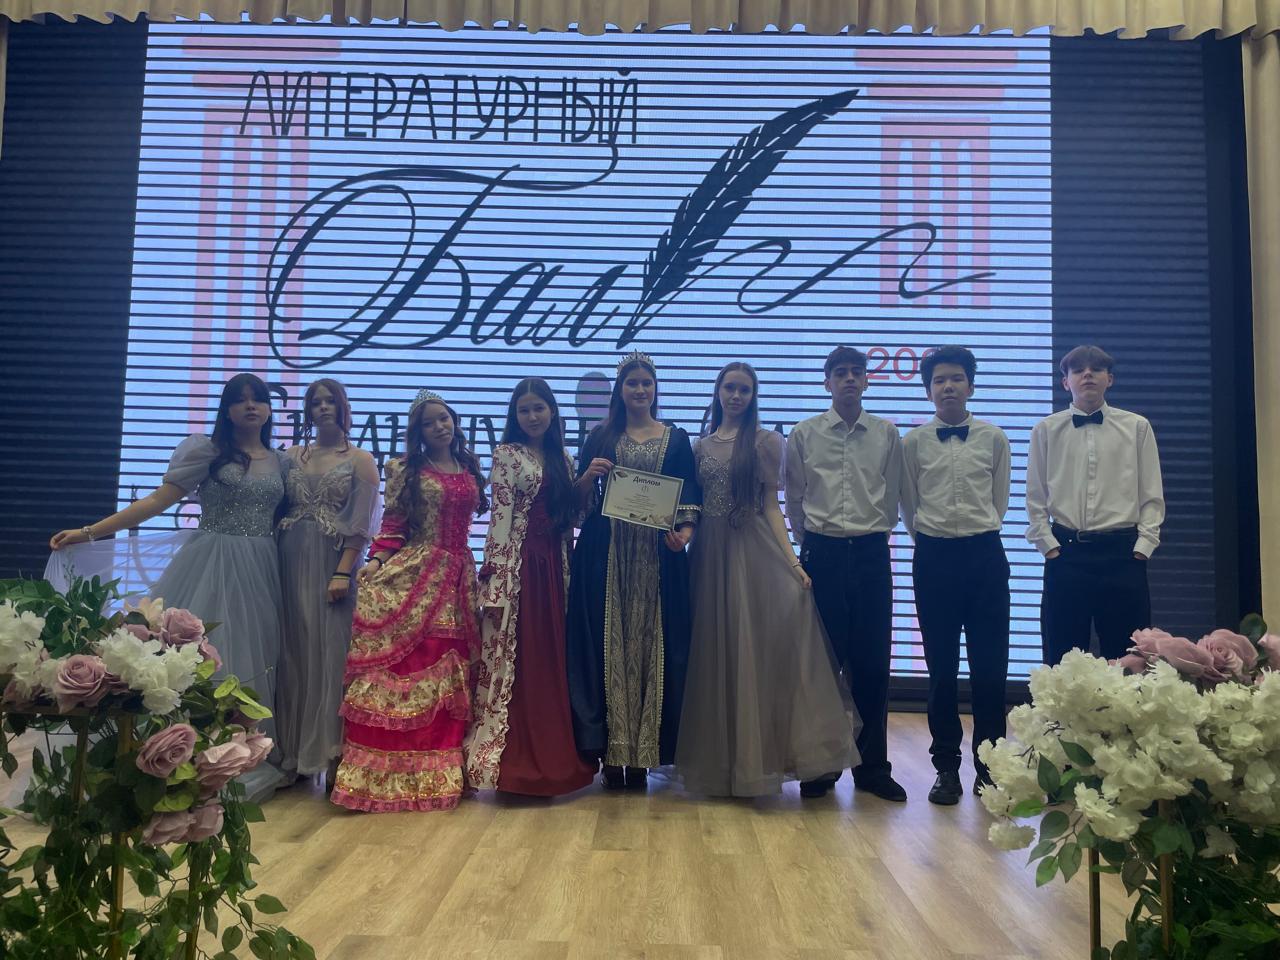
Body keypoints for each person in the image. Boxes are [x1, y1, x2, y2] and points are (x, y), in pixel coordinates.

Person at [49, 373, 290, 803]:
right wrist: (89, 532)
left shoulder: (282, 461)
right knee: (200, 657)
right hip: (211, 563)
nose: (251, 406)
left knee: (254, 655)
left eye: (258, 399)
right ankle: (178, 759)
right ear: (227, 409)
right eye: (240, 400)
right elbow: (157, 501)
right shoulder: (208, 452)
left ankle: (237, 757)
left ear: (270, 409)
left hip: (262, 568)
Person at [675, 363, 859, 797]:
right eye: (730, 388)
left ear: (753, 395)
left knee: (752, 653)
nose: (736, 396)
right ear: (718, 391)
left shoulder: (766, 441)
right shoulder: (699, 446)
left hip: (751, 553)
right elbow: (692, 507)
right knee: (713, 654)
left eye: (744, 389)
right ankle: (721, 764)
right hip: (708, 556)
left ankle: (757, 761)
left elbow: (772, 506)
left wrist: (792, 563)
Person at [330, 389, 486, 813]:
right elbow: (394, 526)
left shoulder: (469, 465)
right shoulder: (406, 469)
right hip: (421, 569)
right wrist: (375, 562)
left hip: (460, 576)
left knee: (451, 666)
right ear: (418, 432)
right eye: (430, 422)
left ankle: (441, 772)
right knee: (417, 662)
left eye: (444, 418)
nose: (440, 426)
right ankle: (387, 776)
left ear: (454, 421)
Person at [565, 351, 700, 790]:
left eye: (646, 383)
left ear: (655, 388)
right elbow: (579, 505)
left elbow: (688, 497)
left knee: (654, 647)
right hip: (606, 556)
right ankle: (610, 753)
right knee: (606, 646)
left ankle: (644, 756)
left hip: (658, 558)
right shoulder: (600, 436)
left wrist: (684, 532)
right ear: (619, 390)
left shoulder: (676, 439)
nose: (640, 390)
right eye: (632, 383)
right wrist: (589, 476)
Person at [785, 346, 907, 802]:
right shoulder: (804, 433)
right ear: (827, 383)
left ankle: (872, 768)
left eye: (857, 372)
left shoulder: (886, 433)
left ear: (867, 380)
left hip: (872, 553)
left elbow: (892, 495)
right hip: (824, 554)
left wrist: (869, 534)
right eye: (841, 373)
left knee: (873, 664)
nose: (850, 379)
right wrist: (811, 545)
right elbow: (795, 498)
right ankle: (821, 767)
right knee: (822, 665)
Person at [465, 378, 596, 796]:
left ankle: (556, 755)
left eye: (539, 408)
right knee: (523, 659)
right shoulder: (507, 455)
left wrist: (586, 480)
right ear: (515, 416)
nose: (533, 416)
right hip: (522, 569)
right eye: (524, 410)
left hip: (554, 567)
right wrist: (495, 581)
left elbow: (571, 517)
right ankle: (517, 761)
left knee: (552, 657)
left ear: (552, 412)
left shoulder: (564, 458)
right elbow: (500, 518)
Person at [901, 347, 1011, 804]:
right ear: (928, 390)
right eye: (939, 380)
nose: (948, 386)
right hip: (935, 558)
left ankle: (991, 769)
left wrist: (972, 536)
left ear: (971, 386)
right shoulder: (912, 442)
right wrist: (938, 540)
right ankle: (946, 768)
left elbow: (999, 500)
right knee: (941, 670)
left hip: (985, 555)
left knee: (991, 670)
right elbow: (909, 505)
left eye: (956, 378)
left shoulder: (994, 437)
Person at [1027, 345, 1165, 665]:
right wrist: (1048, 545)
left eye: (1096, 369)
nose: (1087, 374)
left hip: (1122, 555)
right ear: (1066, 382)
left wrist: (1143, 547)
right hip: (1066, 553)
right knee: (1062, 658)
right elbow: (1035, 495)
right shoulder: (1045, 430)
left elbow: (1152, 493)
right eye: (1078, 370)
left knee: (1128, 660)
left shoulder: (1137, 427)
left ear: (1109, 379)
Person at [277, 378, 380, 788]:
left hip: (333, 562)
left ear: (343, 408)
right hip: (287, 558)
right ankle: (292, 752)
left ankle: (335, 753)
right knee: (293, 653)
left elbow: (362, 524)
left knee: (332, 654)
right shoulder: (289, 457)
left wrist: (344, 570)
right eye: (315, 402)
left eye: (330, 401)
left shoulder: (360, 460)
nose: (322, 408)